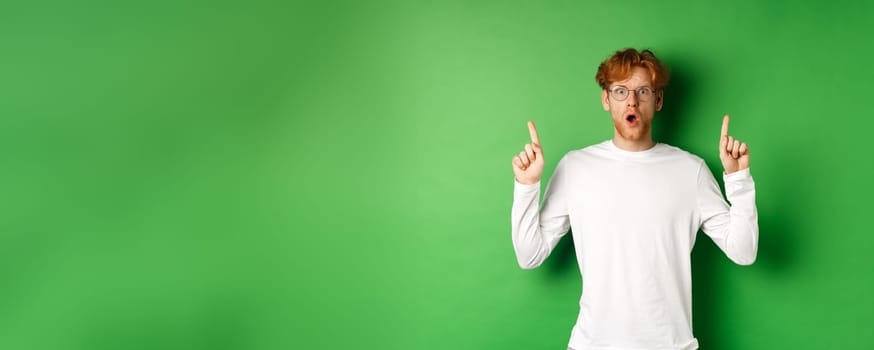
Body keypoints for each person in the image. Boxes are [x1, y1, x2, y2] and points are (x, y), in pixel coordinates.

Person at [510, 48, 758, 350]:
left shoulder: (690, 170)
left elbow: (743, 252)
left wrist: (738, 179)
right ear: (606, 99)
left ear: (658, 100)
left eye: (642, 91)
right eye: (620, 91)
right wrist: (526, 185)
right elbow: (529, 255)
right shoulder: (575, 168)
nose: (631, 101)